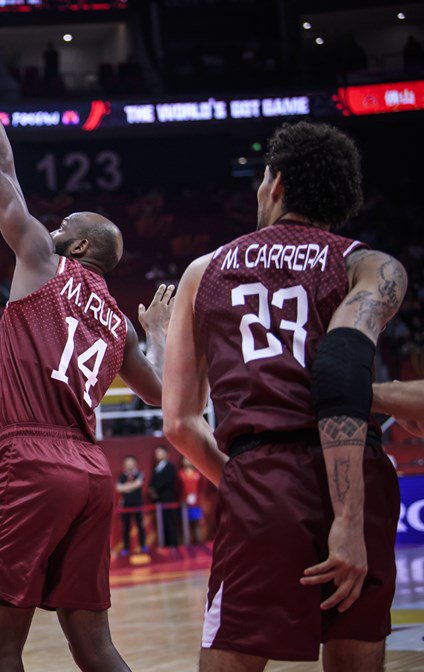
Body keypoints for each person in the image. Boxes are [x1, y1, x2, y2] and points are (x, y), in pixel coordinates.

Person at [0, 16, 172, 672]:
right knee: (94, 644)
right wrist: (156, 335)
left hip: (31, 459)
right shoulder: (119, 321)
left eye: (63, 222)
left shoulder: (44, 261)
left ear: (74, 246)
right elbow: (161, 392)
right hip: (91, 470)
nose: (51, 222)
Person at [162, 121, 406, 670]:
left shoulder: (205, 272)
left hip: (262, 475)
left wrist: (245, 485)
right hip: (358, 473)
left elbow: (178, 423)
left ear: (276, 184)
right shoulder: (369, 266)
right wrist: (346, 516)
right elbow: (343, 373)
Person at [148, 446, 180, 548]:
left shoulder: (170, 466)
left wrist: (155, 489)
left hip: (168, 499)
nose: (158, 454)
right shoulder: (156, 468)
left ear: (166, 454)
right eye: (156, 453)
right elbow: (151, 483)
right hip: (158, 500)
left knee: (170, 523)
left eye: (160, 452)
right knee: (162, 524)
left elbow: (167, 481)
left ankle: (173, 545)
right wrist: (151, 490)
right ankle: (165, 545)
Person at [116, 456, 147, 554]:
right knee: (126, 527)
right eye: (127, 463)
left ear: (135, 464)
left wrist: (126, 487)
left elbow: (139, 483)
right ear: (124, 465)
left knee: (140, 526)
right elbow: (118, 488)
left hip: (138, 504)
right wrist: (131, 486)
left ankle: (143, 546)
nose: (129, 464)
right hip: (126, 506)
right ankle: (126, 548)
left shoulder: (139, 474)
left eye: (131, 462)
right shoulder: (122, 476)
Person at [179, 459, 203, 545]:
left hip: (196, 503)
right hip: (184, 503)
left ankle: (199, 543)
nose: (187, 461)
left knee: (196, 524)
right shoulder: (180, 474)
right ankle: (187, 544)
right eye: (184, 459)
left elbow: (201, 487)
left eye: (188, 459)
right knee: (185, 524)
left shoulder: (197, 473)